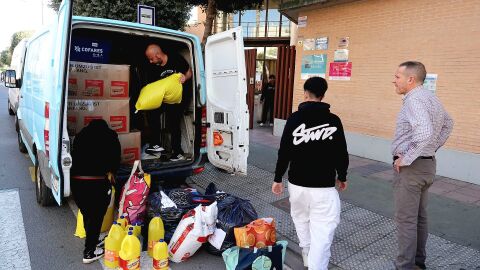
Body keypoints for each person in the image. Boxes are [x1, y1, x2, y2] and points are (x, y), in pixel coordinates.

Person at [271, 77, 349, 270]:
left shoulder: (294, 118)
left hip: (297, 184)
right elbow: (341, 152)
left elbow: (284, 151)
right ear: (323, 95)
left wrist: (278, 178)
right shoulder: (333, 120)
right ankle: (316, 264)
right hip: (323, 186)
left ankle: (306, 250)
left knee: (301, 218)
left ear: (306, 93)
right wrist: (342, 175)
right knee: (323, 229)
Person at [391, 61, 453, 270]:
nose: (394, 80)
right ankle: (418, 262)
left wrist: (407, 158)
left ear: (411, 79)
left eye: (397, 76)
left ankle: (405, 266)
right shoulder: (429, 97)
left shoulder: (414, 100)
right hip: (427, 165)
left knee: (406, 221)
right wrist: (432, 149)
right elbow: (448, 123)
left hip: (412, 169)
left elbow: (425, 132)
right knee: (419, 217)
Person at [70, 119, 121, 263]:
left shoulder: (80, 135)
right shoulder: (110, 136)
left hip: (76, 181)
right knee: (96, 216)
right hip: (96, 181)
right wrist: (112, 171)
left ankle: (92, 240)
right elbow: (115, 158)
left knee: (87, 212)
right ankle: (89, 252)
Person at [144, 43, 193, 161]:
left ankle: (178, 152)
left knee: (173, 123)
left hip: (179, 98)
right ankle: (155, 144)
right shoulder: (153, 68)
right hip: (164, 98)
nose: (150, 61)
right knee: (151, 111)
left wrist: (185, 78)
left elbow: (189, 72)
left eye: (151, 59)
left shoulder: (176, 59)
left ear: (158, 55)